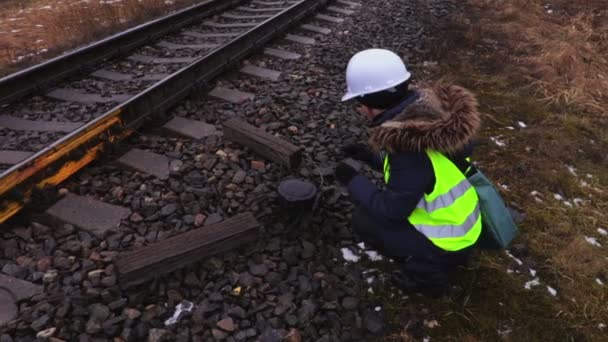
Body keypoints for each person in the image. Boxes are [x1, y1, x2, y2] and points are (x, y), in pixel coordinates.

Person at [335, 49, 482, 296]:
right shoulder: (431, 122)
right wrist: (368, 156)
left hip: (449, 242)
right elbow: (419, 175)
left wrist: (353, 181)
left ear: (374, 103)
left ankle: (426, 276)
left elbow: (391, 211)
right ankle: (437, 258)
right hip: (465, 226)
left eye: (359, 103)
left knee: (364, 220)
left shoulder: (408, 152)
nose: (359, 110)